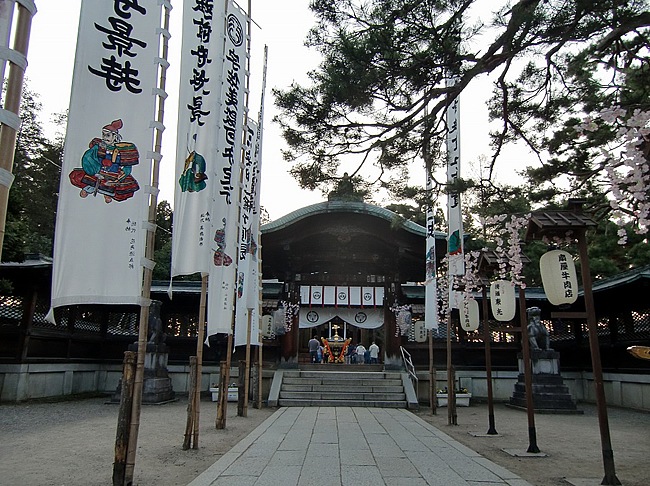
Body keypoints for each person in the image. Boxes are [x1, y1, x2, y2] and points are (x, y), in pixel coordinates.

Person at [69, 119, 140, 203]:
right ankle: (88, 189)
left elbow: (127, 166)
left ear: (115, 136)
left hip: (113, 174)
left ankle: (107, 194)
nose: (105, 138)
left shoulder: (123, 149)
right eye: (103, 135)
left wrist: (119, 178)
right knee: (81, 177)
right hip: (98, 171)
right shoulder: (99, 146)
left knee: (120, 187)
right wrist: (94, 167)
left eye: (108, 135)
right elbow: (88, 156)